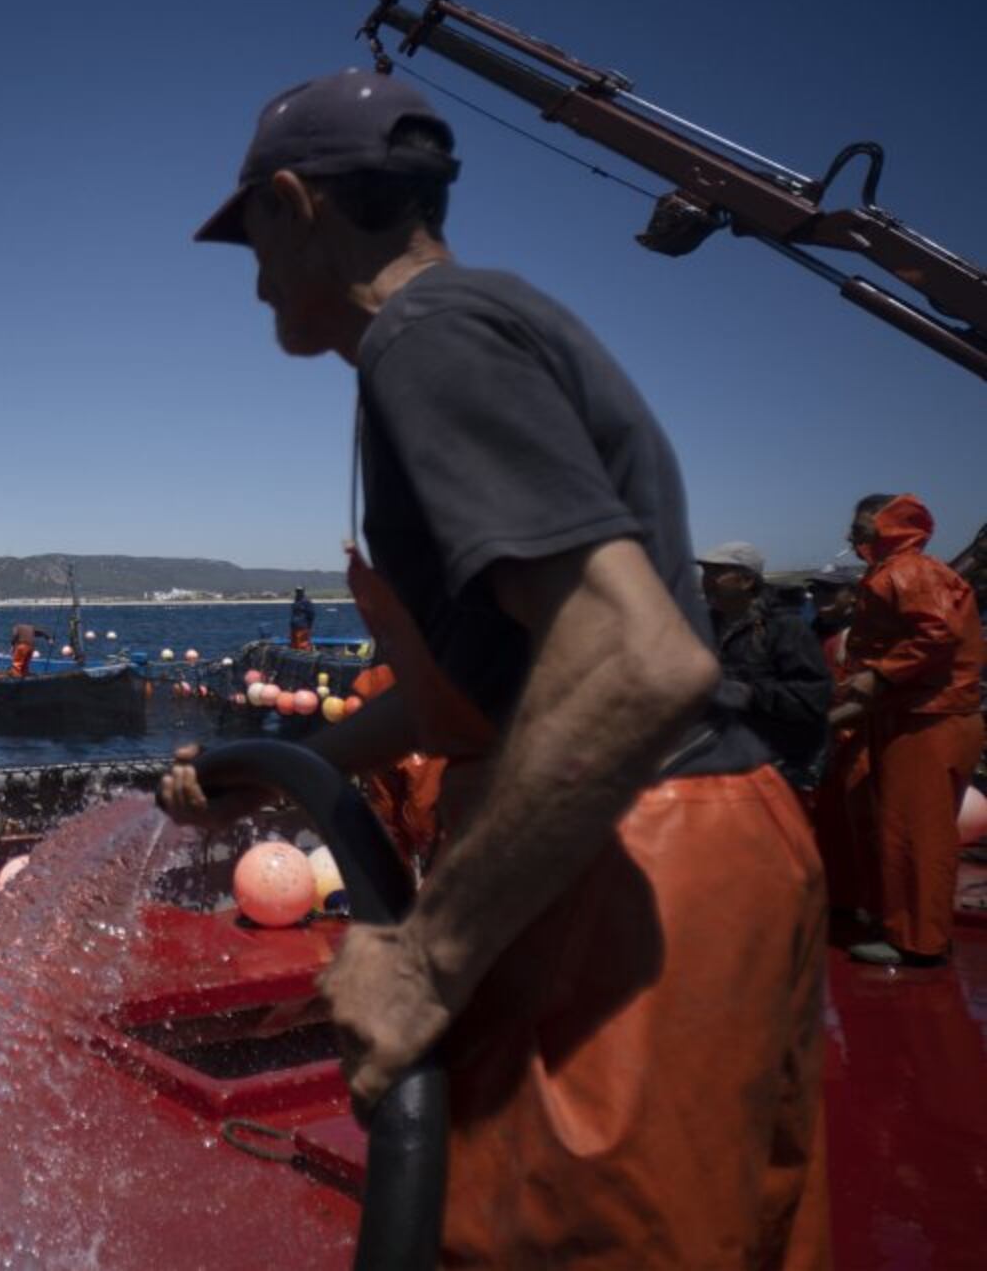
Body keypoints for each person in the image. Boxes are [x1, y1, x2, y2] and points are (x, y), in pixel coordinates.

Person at [165, 70, 826, 1265]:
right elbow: (466, 698)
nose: (253, 279)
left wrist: (427, 958)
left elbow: (635, 661)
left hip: (622, 856)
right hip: (689, 838)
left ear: (295, 205)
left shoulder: (427, 338)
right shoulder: (478, 326)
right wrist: (268, 772)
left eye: (250, 238)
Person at [835, 493, 984, 967]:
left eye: (862, 524)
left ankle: (918, 942)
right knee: (903, 828)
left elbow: (937, 631)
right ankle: (904, 925)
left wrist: (880, 675)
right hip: (915, 716)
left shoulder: (909, 572)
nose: (853, 534)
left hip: (927, 721)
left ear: (890, 524)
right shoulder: (904, 572)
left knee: (917, 833)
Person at [696, 541, 831, 789]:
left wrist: (747, 693)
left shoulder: (786, 628)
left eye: (716, 573)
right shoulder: (703, 626)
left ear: (747, 581)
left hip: (776, 765)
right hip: (721, 761)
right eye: (705, 572)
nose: (706, 581)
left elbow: (811, 699)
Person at [806, 557, 872, 918]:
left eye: (831, 590)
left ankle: (857, 902)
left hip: (850, 741)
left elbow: (867, 699)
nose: (821, 596)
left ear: (853, 594)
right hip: (823, 743)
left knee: (853, 826)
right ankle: (835, 899)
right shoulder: (813, 634)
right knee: (826, 824)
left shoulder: (858, 637)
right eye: (817, 589)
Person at [289, 586, 315, 650]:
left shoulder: (306, 602)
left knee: (302, 644)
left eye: (300, 591)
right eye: (297, 591)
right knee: (294, 644)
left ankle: (305, 652)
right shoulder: (295, 601)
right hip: (294, 626)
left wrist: (309, 626)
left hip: (302, 626)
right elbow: (293, 614)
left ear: (303, 592)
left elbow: (311, 614)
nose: (298, 593)